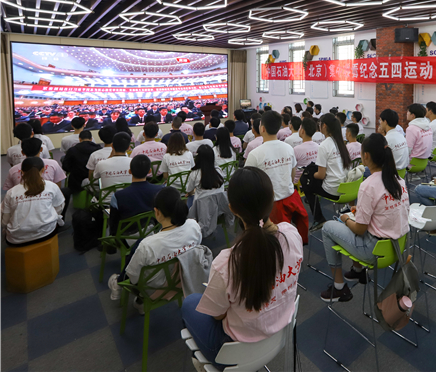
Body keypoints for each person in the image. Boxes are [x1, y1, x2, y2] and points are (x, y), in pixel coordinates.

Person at [181, 167, 303, 369]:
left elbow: (218, 315)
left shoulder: (226, 263)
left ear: (233, 209)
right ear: (272, 197)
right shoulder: (292, 235)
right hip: (281, 332)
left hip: (237, 350)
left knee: (190, 302)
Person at [319, 133, 410, 301]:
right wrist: (360, 211)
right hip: (397, 246)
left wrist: (346, 219)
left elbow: (360, 230)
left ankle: (339, 287)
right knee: (352, 219)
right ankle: (357, 271)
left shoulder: (368, 185)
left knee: (329, 227)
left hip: (373, 251)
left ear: (366, 156)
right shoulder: (399, 180)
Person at [108, 187, 202, 308]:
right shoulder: (194, 225)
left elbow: (133, 278)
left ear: (157, 212)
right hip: (184, 279)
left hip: (154, 290)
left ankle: (122, 286)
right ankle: (138, 302)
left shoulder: (147, 246)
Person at [246, 111, 309, 244]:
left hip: (270, 204)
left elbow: (248, 184)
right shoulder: (288, 148)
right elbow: (292, 174)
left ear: (262, 128)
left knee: (276, 240)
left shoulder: (255, 154)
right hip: (290, 196)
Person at [302, 113, 352, 230]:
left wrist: (312, 174)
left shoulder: (324, 145)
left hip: (333, 190)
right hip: (347, 188)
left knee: (305, 179)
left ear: (324, 125)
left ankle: (318, 218)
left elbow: (321, 175)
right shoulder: (341, 142)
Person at [1, 157, 65, 246]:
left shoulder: (11, 192)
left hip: (17, 239)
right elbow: (59, 208)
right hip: (47, 233)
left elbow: (5, 221)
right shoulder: (52, 186)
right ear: (43, 170)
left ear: (22, 172)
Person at [109, 155, 162, 235]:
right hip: (154, 235)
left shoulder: (117, 196)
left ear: (130, 171)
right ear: (149, 171)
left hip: (126, 238)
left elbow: (113, 225)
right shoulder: (160, 191)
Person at [293, 117, 319, 185]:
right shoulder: (318, 147)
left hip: (299, 184)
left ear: (302, 131)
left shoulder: (296, 149)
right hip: (314, 182)